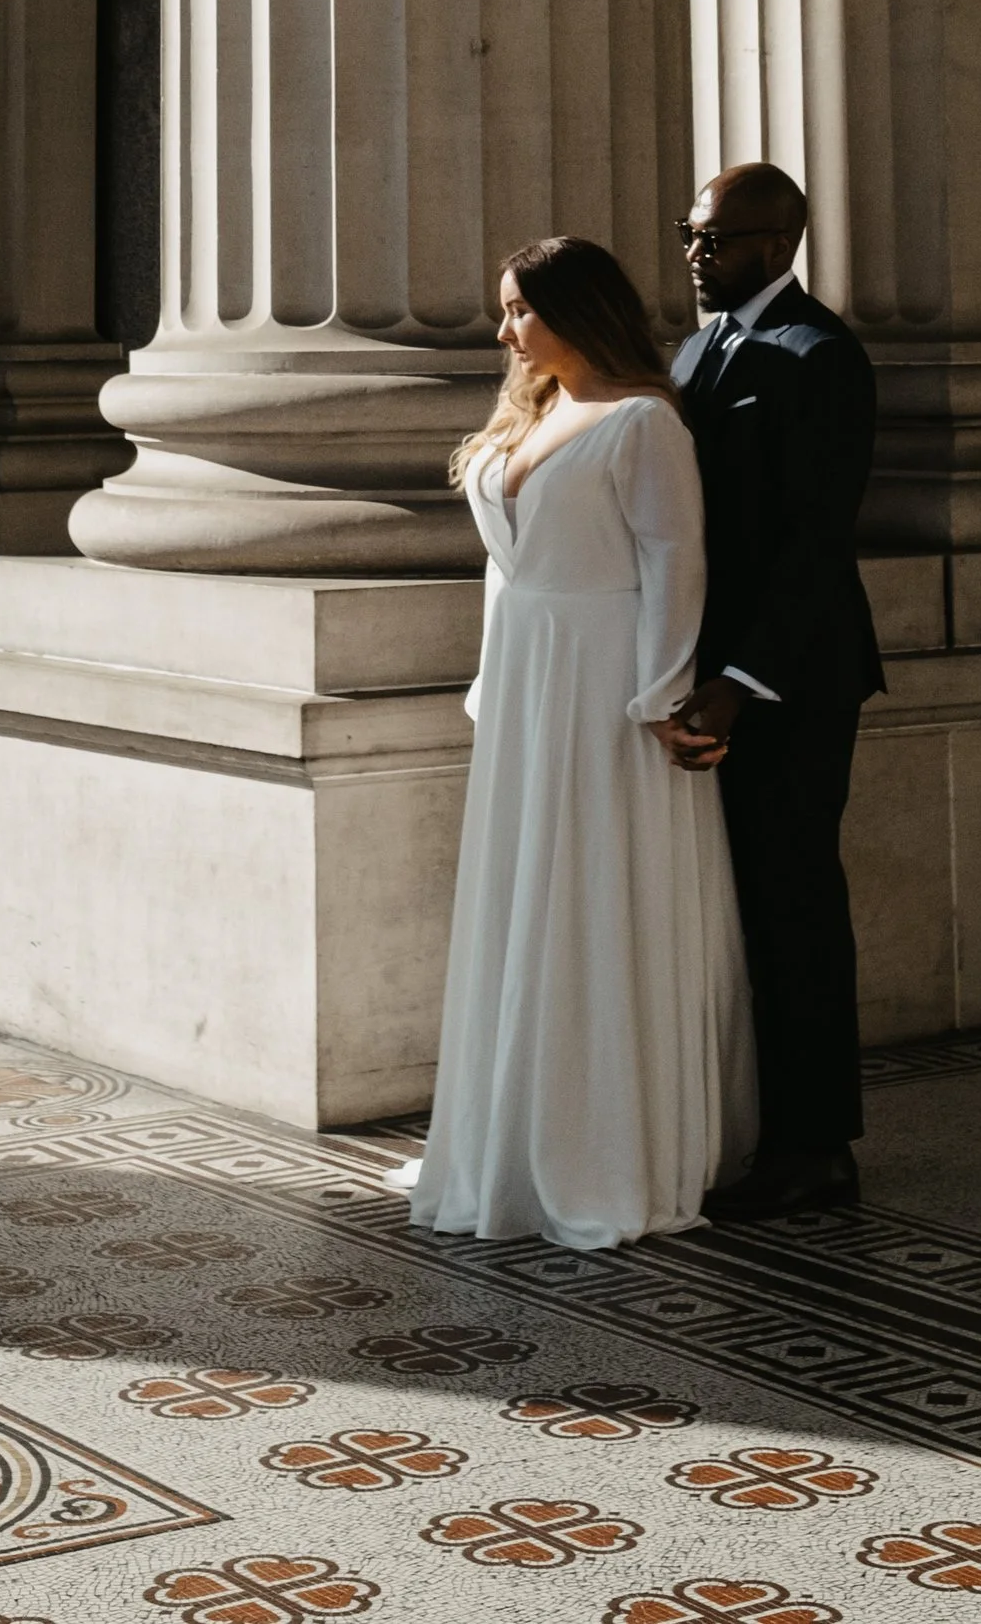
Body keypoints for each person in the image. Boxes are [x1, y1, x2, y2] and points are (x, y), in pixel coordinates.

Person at [405, 235, 757, 1250]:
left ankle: (607, 1148)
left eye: (521, 310)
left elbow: (672, 563)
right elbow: (503, 572)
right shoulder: (538, 412)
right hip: (526, 688)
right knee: (528, 895)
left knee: (600, 891)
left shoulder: (644, 421)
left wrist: (658, 697)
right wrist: (490, 682)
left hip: (606, 684)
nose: (506, 332)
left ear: (578, 310)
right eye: (503, 312)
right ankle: (513, 1133)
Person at [666, 160, 883, 1223]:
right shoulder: (696, 348)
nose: (697, 254)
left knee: (795, 909)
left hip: (790, 685)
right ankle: (752, 1120)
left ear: (778, 242)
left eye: (718, 237)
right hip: (707, 678)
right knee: (739, 910)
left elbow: (812, 544)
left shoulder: (819, 355)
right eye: (690, 234)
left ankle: (816, 1148)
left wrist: (740, 685)